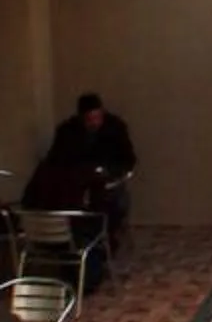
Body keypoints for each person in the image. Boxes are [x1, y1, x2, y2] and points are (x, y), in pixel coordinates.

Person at [26, 91, 137, 272]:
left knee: (112, 205)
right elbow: (55, 160)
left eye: (97, 118)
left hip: (108, 183)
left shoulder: (115, 128)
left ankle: (103, 245)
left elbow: (128, 160)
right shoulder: (67, 131)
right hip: (75, 185)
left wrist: (108, 172)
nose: (94, 123)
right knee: (62, 202)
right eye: (89, 119)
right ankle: (74, 247)